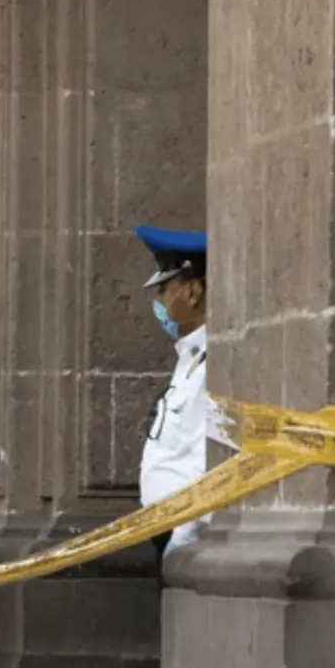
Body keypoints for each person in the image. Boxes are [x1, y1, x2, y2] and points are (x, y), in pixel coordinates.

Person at [136, 225, 210, 558]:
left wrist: (183, 534)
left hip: (184, 535)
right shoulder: (190, 356)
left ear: (192, 292)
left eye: (165, 289)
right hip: (162, 527)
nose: (159, 301)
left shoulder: (215, 363)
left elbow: (206, 457)